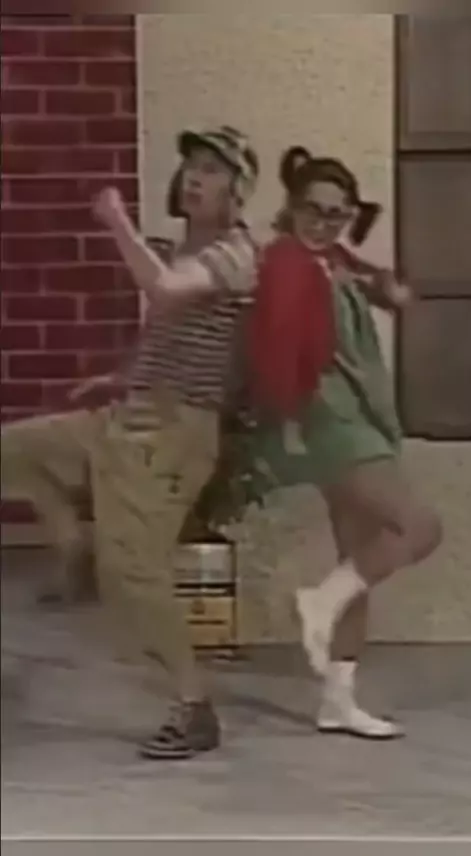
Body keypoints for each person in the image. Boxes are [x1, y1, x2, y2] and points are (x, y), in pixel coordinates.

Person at [1, 125, 259, 760]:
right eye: (192, 164)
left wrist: (117, 221)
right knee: (13, 449)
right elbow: (174, 336)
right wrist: (121, 376)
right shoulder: (177, 249)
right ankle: (71, 539)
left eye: (213, 169)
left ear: (238, 191)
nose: (195, 176)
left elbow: (166, 293)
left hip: (173, 436)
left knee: (135, 573)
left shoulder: (236, 254)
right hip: (128, 416)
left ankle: (194, 708)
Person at [248, 147, 442, 739]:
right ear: (292, 206)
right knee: (419, 528)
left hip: (354, 418)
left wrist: (387, 291)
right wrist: (287, 417)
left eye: (337, 213)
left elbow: (362, 281)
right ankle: (318, 601)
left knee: (359, 556)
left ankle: (337, 699)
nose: (324, 222)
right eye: (313, 209)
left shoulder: (329, 258)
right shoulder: (287, 262)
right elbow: (277, 344)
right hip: (331, 420)